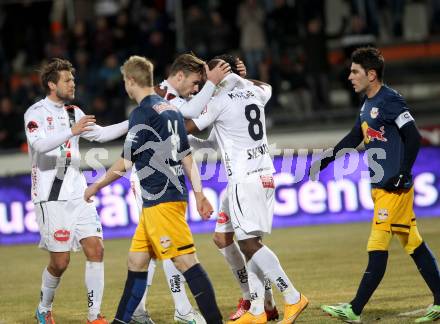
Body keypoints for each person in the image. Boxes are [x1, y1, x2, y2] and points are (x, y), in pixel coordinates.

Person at [84, 55, 223, 324]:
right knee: (136, 263)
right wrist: (198, 193)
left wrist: (97, 185)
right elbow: (186, 155)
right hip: (159, 201)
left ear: (131, 81)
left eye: (125, 81)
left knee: (186, 262)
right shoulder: (170, 109)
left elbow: (126, 162)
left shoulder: (142, 113)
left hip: (162, 200)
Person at [310, 47, 440, 323]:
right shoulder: (367, 104)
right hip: (381, 188)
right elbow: (352, 138)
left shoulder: (390, 100)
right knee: (414, 243)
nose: (349, 77)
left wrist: (404, 173)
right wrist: (325, 160)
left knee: (377, 246)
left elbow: (414, 137)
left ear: (371, 74)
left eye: (355, 71)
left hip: (394, 189)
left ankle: (355, 309)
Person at [185, 54, 308, 324]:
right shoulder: (255, 90)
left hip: (245, 178)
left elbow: (184, 126)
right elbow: (267, 86)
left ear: (219, 72)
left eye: (208, 73)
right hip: (261, 174)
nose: (206, 79)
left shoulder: (217, 101)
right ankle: (257, 309)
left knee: (250, 243)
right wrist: (241, 75)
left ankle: (292, 296)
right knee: (229, 240)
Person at [24, 58, 129, 324]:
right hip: (50, 197)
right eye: (67, 80)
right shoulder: (34, 113)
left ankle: (94, 316)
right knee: (60, 263)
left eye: (73, 79)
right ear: (51, 84)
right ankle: (44, 308)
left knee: (96, 249)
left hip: (79, 193)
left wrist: (136, 120)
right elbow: (39, 146)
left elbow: (103, 135)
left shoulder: (75, 111)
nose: (73, 84)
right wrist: (71, 132)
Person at [129, 52, 230, 324]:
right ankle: (182, 308)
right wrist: (212, 85)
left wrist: (224, 85)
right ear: (180, 75)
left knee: (152, 249)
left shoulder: (176, 98)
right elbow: (192, 112)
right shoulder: (162, 95)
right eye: (196, 83)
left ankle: (138, 309)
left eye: (201, 85)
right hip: (150, 180)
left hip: (166, 179)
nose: (196, 89)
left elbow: (197, 130)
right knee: (170, 244)